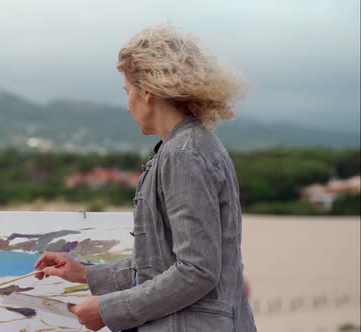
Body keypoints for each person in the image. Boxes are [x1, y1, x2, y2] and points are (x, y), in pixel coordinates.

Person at [34, 23, 257, 332]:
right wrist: (85, 274)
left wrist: (109, 310)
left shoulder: (183, 154)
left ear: (147, 92)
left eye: (128, 92)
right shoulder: (190, 146)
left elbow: (197, 270)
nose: (127, 105)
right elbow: (161, 265)